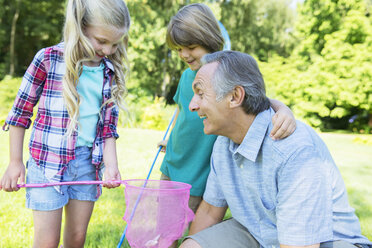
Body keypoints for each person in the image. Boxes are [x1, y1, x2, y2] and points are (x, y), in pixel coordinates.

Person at [181, 50, 372, 248]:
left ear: (235, 96)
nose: (192, 105)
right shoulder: (223, 144)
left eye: (201, 94)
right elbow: (210, 212)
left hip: (325, 241)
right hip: (258, 234)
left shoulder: (294, 150)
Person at [0, 0, 130, 247]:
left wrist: (111, 166)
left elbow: (107, 129)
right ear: (79, 27)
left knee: (77, 238)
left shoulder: (108, 71)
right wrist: (15, 162)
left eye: (115, 43)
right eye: (102, 41)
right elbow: (20, 113)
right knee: (47, 241)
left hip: (87, 165)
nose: (109, 50)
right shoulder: (47, 59)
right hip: (46, 162)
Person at [158, 3, 296, 215]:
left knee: (189, 220)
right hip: (174, 160)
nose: (184, 54)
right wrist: (171, 139)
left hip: (198, 169)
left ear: (208, 38)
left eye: (191, 46)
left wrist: (284, 110)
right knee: (164, 223)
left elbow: (259, 99)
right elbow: (181, 110)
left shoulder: (228, 73)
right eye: (178, 49)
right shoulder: (187, 76)